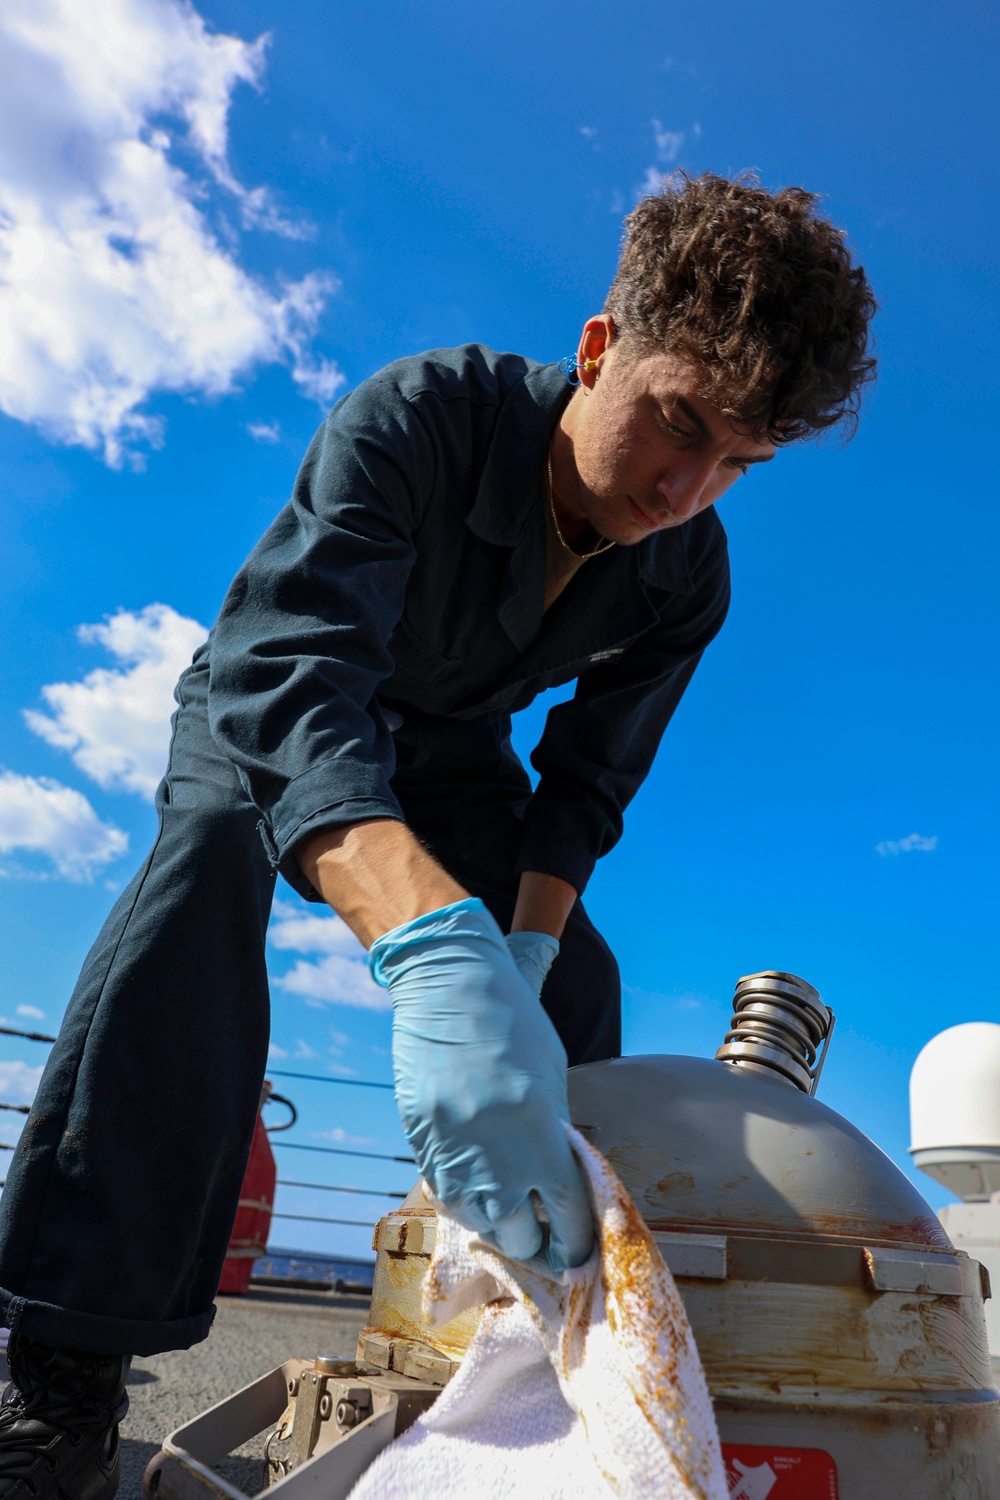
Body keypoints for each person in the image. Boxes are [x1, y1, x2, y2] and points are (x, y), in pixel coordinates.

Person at [0, 172, 875, 1500]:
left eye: (738, 463)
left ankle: (536, 1343)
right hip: (284, 691)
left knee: (576, 979)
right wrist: (426, 945)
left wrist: (516, 962)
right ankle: (65, 1363)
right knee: (198, 885)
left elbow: (585, 783)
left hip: (457, 751)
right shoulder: (416, 417)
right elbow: (294, 677)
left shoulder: (690, 574)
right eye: (676, 422)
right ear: (598, 352)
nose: (686, 487)